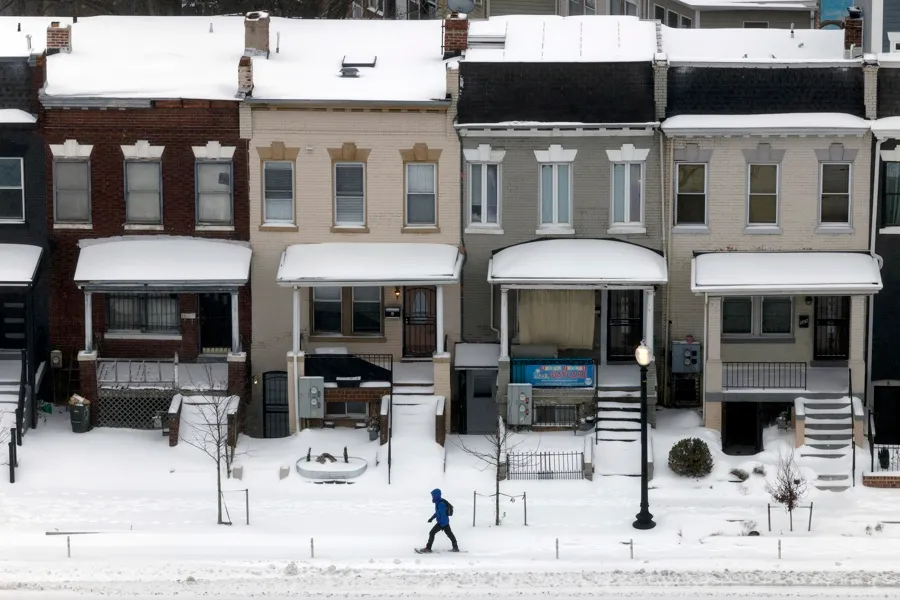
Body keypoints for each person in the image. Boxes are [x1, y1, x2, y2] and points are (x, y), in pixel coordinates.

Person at [421, 488, 459, 552]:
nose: (432, 496)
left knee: (432, 533)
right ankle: (455, 548)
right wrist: (431, 518)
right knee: (450, 534)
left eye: (433, 495)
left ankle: (428, 548)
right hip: (444, 522)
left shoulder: (441, 504)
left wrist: (441, 525)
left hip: (442, 523)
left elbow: (443, 515)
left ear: (436, 495)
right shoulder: (438, 502)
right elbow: (437, 513)